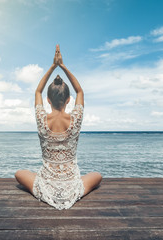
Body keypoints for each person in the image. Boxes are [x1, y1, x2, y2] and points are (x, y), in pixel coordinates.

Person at [15, 45, 102, 210]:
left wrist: (53, 66)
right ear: (69, 100)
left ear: (48, 100)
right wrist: (62, 65)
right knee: (97, 176)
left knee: (19, 173)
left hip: (46, 186)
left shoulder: (42, 119)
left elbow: (37, 91)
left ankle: (47, 183)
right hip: (72, 186)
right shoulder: (75, 119)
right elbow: (80, 91)